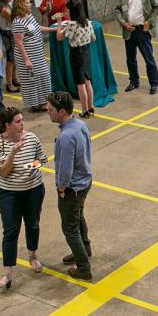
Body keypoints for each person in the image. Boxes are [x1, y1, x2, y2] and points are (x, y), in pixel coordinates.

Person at [0, 108, 47, 291]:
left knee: (33, 223)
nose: (22, 124)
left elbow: (42, 159)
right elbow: (3, 171)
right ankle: (7, 273)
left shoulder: (32, 138)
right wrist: (13, 152)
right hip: (9, 193)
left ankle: (32, 256)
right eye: (18, 121)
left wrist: (29, 166)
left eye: (22, 120)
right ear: (7, 125)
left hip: (33, 189)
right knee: (10, 231)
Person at [48, 91, 92, 280]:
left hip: (72, 188)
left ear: (62, 111)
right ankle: (85, 248)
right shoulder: (80, 125)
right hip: (85, 182)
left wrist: (61, 187)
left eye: (50, 110)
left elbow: (65, 169)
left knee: (69, 228)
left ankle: (83, 267)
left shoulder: (66, 137)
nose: (46, 111)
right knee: (78, 216)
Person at [113, 0, 158, 95]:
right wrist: (124, 24)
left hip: (142, 31)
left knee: (149, 59)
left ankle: (154, 84)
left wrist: (149, 22)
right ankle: (134, 81)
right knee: (130, 59)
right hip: (129, 31)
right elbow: (117, 10)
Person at [54, 0, 96, 117]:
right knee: (88, 81)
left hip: (76, 54)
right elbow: (94, 38)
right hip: (86, 52)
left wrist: (58, 22)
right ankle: (91, 107)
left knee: (80, 84)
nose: (66, 11)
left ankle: (84, 110)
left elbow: (59, 37)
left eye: (67, 9)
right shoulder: (87, 22)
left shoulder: (72, 25)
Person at [11, 0, 53, 112]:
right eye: (27, 2)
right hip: (28, 57)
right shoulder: (17, 22)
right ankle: (36, 104)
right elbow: (19, 43)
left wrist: (52, 30)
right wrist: (26, 60)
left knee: (44, 77)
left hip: (38, 55)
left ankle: (44, 101)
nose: (30, 4)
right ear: (21, 5)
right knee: (32, 80)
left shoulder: (29, 16)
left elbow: (37, 27)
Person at [0, 0, 20, 92]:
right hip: (7, 34)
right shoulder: (4, 9)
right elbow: (14, 20)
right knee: (10, 60)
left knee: (14, 59)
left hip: (11, 32)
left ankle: (14, 79)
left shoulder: (7, 6)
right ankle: (9, 84)